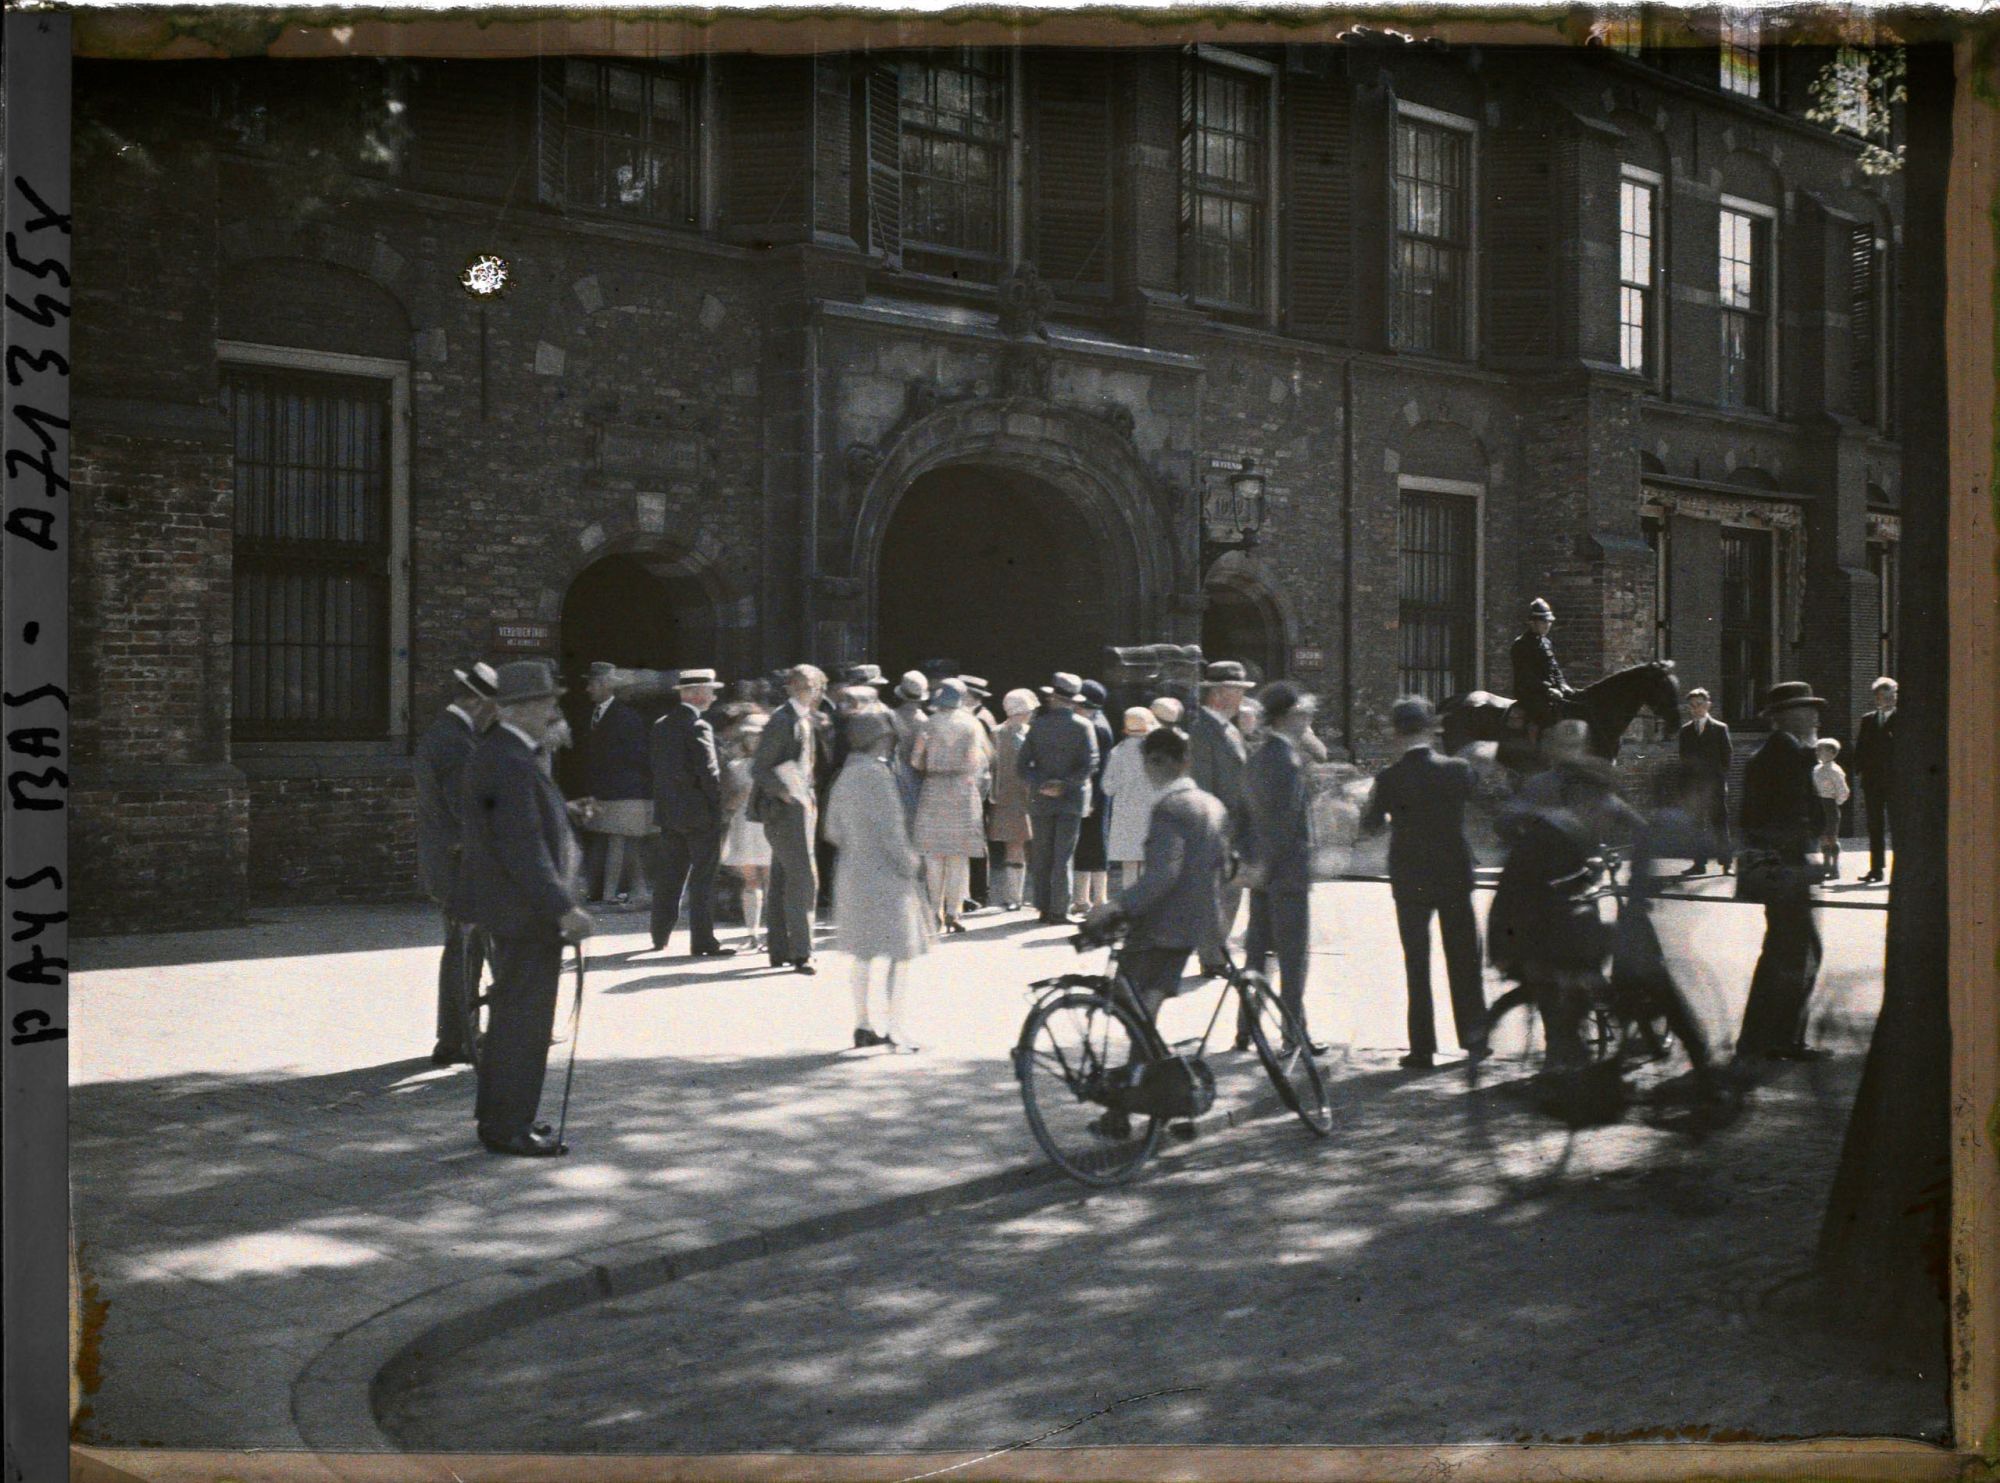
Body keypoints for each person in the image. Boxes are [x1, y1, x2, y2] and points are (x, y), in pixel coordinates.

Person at [456, 660, 594, 1157]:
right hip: (526, 913)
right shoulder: (509, 760)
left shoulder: (504, 753)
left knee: (516, 1019)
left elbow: (522, 832)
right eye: (551, 702)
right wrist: (563, 909)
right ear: (529, 708)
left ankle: (503, 1119)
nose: (556, 710)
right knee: (523, 1023)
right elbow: (522, 848)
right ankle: (507, 1126)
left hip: (513, 910)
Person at [1361, 695, 1489, 1070]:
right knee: (1464, 957)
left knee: (1416, 963)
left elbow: (1369, 827)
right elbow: (1478, 795)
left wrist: (1384, 816)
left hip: (1410, 876)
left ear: (1397, 733)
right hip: (1453, 873)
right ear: (1432, 730)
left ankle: (1422, 1049)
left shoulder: (1388, 778)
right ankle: (1475, 1039)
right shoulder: (1457, 769)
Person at [1083, 724, 1228, 1027]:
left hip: (1164, 924)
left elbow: (1162, 875)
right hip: (1201, 919)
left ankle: (1143, 1067)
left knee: (1131, 1004)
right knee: (1146, 1007)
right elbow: (1225, 866)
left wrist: (1115, 906)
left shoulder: (1170, 807)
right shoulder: (1212, 805)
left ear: (1153, 761)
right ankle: (1146, 1064)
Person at [824, 709, 931, 1053]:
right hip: (886, 878)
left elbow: (832, 830)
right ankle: (895, 1029)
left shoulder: (844, 777)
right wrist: (911, 864)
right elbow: (892, 833)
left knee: (863, 955)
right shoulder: (878, 776)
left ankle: (862, 1024)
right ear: (882, 740)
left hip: (852, 872)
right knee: (901, 955)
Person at [1735, 681, 1829, 1061]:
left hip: (1776, 866)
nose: (1815, 716)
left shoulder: (1772, 755)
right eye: (1807, 710)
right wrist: (1802, 859)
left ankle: (1763, 1038)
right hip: (1786, 867)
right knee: (1796, 951)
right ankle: (1778, 1039)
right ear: (1786, 717)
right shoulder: (1788, 756)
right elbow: (1794, 817)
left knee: (1782, 950)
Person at [414, 661, 498, 1066]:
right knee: (465, 949)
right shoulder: (456, 742)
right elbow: (466, 809)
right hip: (458, 863)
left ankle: (456, 1035)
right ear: (478, 702)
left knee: (463, 948)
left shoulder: (445, 734)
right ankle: (457, 1038)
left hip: (447, 859)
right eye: (493, 707)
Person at [1236, 683, 1327, 1055]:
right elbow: (1284, 824)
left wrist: (1250, 862)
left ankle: (1246, 1030)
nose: (1308, 720)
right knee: (1293, 959)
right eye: (1304, 714)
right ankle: (1294, 1035)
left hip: (1261, 873)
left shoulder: (1257, 757)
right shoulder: (1288, 761)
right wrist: (1269, 865)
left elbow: (1243, 814)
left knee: (1257, 955)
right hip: (1286, 873)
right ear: (1288, 718)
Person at [646, 668, 735, 957]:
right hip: (700, 814)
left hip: (670, 813)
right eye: (710, 690)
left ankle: (659, 934)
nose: (713, 695)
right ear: (696, 693)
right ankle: (703, 940)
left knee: (670, 875)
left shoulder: (661, 725)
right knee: (703, 878)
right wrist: (718, 806)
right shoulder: (699, 726)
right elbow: (709, 773)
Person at [750, 663, 828, 974]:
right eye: (809, 687)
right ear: (795, 688)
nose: (813, 692)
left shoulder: (799, 718)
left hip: (797, 806)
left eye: (815, 686)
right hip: (787, 809)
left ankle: (781, 949)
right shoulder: (783, 721)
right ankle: (802, 952)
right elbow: (760, 768)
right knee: (804, 880)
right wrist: (784, 793)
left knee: (785, 878)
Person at [910, 678, 993, 935]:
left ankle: (933, 911)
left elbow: (916, 761)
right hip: (962, 789)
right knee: (959, 857)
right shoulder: (972, 724)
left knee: (934, 857)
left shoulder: (928, 723)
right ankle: (954, 912)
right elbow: (977, 761)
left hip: (934, 789)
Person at [1016, 672, 1100, 923]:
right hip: (1071, 799)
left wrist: (1042, 784)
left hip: (1041, 798)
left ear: (1052, 697)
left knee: (1042, 853)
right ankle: (1058, 909)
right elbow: (1091, 763)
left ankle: (1042, 906)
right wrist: (1064, 784)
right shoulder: (1084, 726)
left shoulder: (1037, 725)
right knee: (1063, 856)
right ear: (1074, 701)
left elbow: (1022, 766)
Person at [1189, 659, 1253, 973]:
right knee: (1218, 892)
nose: (1242, 696)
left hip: (1235, 825)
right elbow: (1203, 785)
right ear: (1218, 693)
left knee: (1230, 892)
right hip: (1218, 827)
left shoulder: (1230, 729)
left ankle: (1216, 952)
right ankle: (1211, 957)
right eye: (1237, 690)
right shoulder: (1203, 731)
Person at [574, 661, 653, 904]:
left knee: (620, 840)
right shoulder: (592, 714)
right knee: (612, 841)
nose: (588, 689)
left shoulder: (627, 717)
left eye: (592, 683)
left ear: (606, 685)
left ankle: (610, 893)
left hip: (622, 792)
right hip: (604, 792)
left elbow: (637, 755)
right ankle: (624, 891)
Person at [718, 710, 771, 952]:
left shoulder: (777, 766)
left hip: (769, 826)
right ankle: (752, 933)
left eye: (759, 735)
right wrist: (743, 794)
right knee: (751, 880)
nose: (754, 740)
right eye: (749, 735)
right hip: (745, 826)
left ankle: (774, 933)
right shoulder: (735, 766)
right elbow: (727, 804)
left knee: (771, 880)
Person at [1101, 705, 1161, 893]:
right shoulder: (1157, 753)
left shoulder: (1117, 752)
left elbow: (1107, 787)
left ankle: (1130, 906)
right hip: (1152, 813)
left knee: (1129, 865)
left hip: (1126, 815)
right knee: (1148, 862)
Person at [1676, 686, 1734, 876]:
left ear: (1708, 705)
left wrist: (1720, 780)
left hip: (1714, 786)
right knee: (1696, 826)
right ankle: (1699, 864)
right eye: (1692, 706)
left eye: (1700, 704)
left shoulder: (1719, 729)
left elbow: (1727, 757)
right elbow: (1683, 761)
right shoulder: (1685, 732)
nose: (1696, 709)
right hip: (1694, 788)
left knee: (1720, 824)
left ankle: (1727, 864)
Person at [1070, 679, 1116, 915]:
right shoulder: (1099, 722)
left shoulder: (1095, 727)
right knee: (1092, 845)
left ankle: (1092, 899)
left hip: (1094, 793)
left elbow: (1095, 766)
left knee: (1091, 846)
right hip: (1098, 792)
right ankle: (1089, 898)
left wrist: (1090, 800)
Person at [988, 688, 1038, 910]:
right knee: (1014, 846)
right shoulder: (998, 734)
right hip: (1011, 797)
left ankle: (1021, 896)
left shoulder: (1002, 733)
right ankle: (1014, 897)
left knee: (1022, 846)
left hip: (1020, 796)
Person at [1510, 598, 1578, 745]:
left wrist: (1563, 686)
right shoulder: (1521, 644)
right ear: (1532, 622)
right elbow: (1526, 676)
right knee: (1545, 715)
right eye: (1543, 621)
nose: (1547, 625)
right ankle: (1536, 752)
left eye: (1549, 622)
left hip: (1549, 692)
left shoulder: (1546, 643)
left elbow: (1554, 668)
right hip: (1530, 693)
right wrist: (1549, 689)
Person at [961, 675, 1000, 912]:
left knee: (976, 838)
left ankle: (978, 891)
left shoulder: (981, 719)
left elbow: (987, 757)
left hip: (978, 785)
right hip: (974, 785)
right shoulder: (979, 717)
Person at [1852, 676, 1897, 882]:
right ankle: (1876, 869)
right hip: (1872, 781)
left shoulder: (1903, 718)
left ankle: (1900, 870)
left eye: (1889, 695)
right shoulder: (1867, 719)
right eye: (1881, 696)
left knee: (1898, 825)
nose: (1885, 700)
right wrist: (1858, 769)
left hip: (1895, 781)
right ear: (1876, 698)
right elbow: (1861, 746)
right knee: (1874, 825)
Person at [1812, 738, 1851, 879]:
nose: (1817, 752)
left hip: (1830, 804)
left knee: (1832, 837)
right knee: (1823, 836)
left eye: (1820, 750)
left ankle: (1834, 867)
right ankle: (1826, 864)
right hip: (1819, 804)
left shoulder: (1835, 771)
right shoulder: (1816, 769)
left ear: (1831, 752)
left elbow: (1843, 791)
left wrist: (1835, 803)